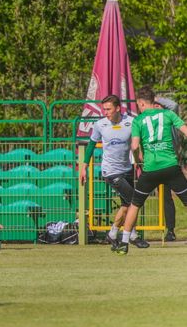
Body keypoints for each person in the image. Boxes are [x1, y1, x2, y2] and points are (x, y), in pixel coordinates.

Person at [116, 86, 187, 255]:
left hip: (150, 169)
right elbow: (185, 130)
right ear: (153, 101)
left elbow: (134, 146)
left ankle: (124, 243)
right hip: (170, 167)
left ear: (141, 103)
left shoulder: (138, 121)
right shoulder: (168, 114)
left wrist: (137, 158)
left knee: (135, 204)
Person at [80, 95, 149, 250]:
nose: (105, 112)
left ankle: (112, 234)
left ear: (118, 108)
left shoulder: (131, 122)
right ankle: (132, 235)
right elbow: (91, 145)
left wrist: (141, 162)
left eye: (108, 109)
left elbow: (138, 144)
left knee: (126, 205)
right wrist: (84, 167)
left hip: (127, 169)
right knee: (134, 200)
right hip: (110, 171)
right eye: (104, 109)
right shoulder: (100, 124)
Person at [154, 96, 182, 241]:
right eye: (154, 106)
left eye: (158, 105)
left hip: (172, 163)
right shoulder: (151, 122)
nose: (156, 108)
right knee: (165, 198)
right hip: (157, 165)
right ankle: (170, 230)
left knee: (184, 195)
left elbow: (173, 105)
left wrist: (154, 98)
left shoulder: (169, 118)